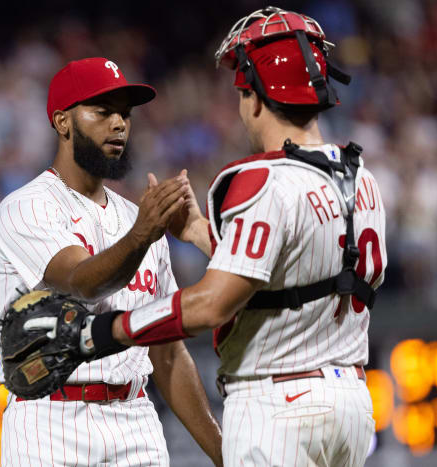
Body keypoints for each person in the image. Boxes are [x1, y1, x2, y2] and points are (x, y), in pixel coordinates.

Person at [78, 8, 388, 467]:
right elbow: (289, 276)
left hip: (277, 406)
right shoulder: (361, 178)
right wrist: (201, 233)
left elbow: (211, 305)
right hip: (352, 407)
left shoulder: (260, 180)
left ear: (256, 98)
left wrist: (100, 332)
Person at [0, 57, 222, 466]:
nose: (119, 124)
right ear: (63, 122)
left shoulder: (137, 217)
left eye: (125, 114)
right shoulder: (26, 208)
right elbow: (83, 282)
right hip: (50, 421)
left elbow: (166, 354)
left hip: (136, 417)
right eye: (102, 111)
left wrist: (226, 454)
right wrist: (145, 232)